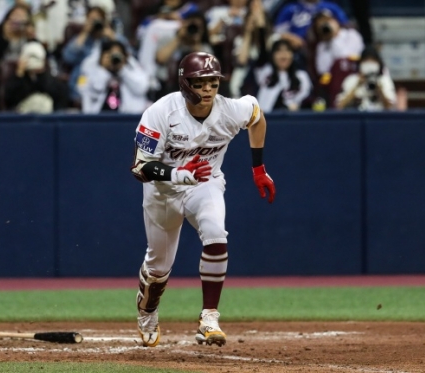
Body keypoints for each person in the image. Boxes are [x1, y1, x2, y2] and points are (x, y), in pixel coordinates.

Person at [129, 51, 276, 348]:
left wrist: (258, 168)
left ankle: (209, 317)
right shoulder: (161, 111)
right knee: (158, 268)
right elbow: (139, 167)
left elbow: (257, 115)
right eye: (200, 82)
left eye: (213, 82)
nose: (208, 89)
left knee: (216, 234)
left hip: (205, 183)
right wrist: (179, 174)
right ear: (185, 83)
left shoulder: (231, 109)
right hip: (163, 192)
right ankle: (148, 312)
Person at [312, 8, 364, 109]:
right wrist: (329, 39)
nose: (325, 24)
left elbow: (346, 59)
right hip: (333, 84)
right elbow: (323, 69)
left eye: (327, 21)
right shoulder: (321, 45)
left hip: (353, 79)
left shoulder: (351, 35)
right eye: (321, 23)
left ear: (335, 21)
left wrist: (334, 37)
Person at [79, 40, 150, 113]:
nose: (113, 58)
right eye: (110, 55)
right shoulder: (93, 71)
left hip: (128, 118)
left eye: (117, 55)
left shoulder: (134, 70)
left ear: (125, 57)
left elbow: (141, 88)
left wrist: (122, 70)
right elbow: (87, 89)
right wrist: (104, 70)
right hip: (98, 119)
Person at [4, 40, 68, 112]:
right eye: (29, 57)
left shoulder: (49, 79)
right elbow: (9, 99)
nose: (32, 61)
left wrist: (41, 73)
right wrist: (19, 74)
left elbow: (59, 96)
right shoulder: (18, 78)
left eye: (35, 57)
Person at [254, 38, 313, 112]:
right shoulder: (265, 73)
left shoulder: (302, 76)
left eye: (287, 50)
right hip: (267, 119)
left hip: (295, 119)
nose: (283, 54)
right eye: (279, 51)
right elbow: (262, 52)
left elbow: (306, 100)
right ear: (272, 55)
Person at [336, 45, 396, 111]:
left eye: (372, 61)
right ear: (360, 63)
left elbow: (390, 107)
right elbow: (339, 106)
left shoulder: (384, 80)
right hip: (356, 118)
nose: (369, 64)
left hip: (378, 118)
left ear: (378, 63)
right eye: (366, 61)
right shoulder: (351, 80)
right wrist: (357, 85)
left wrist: (379, 89)